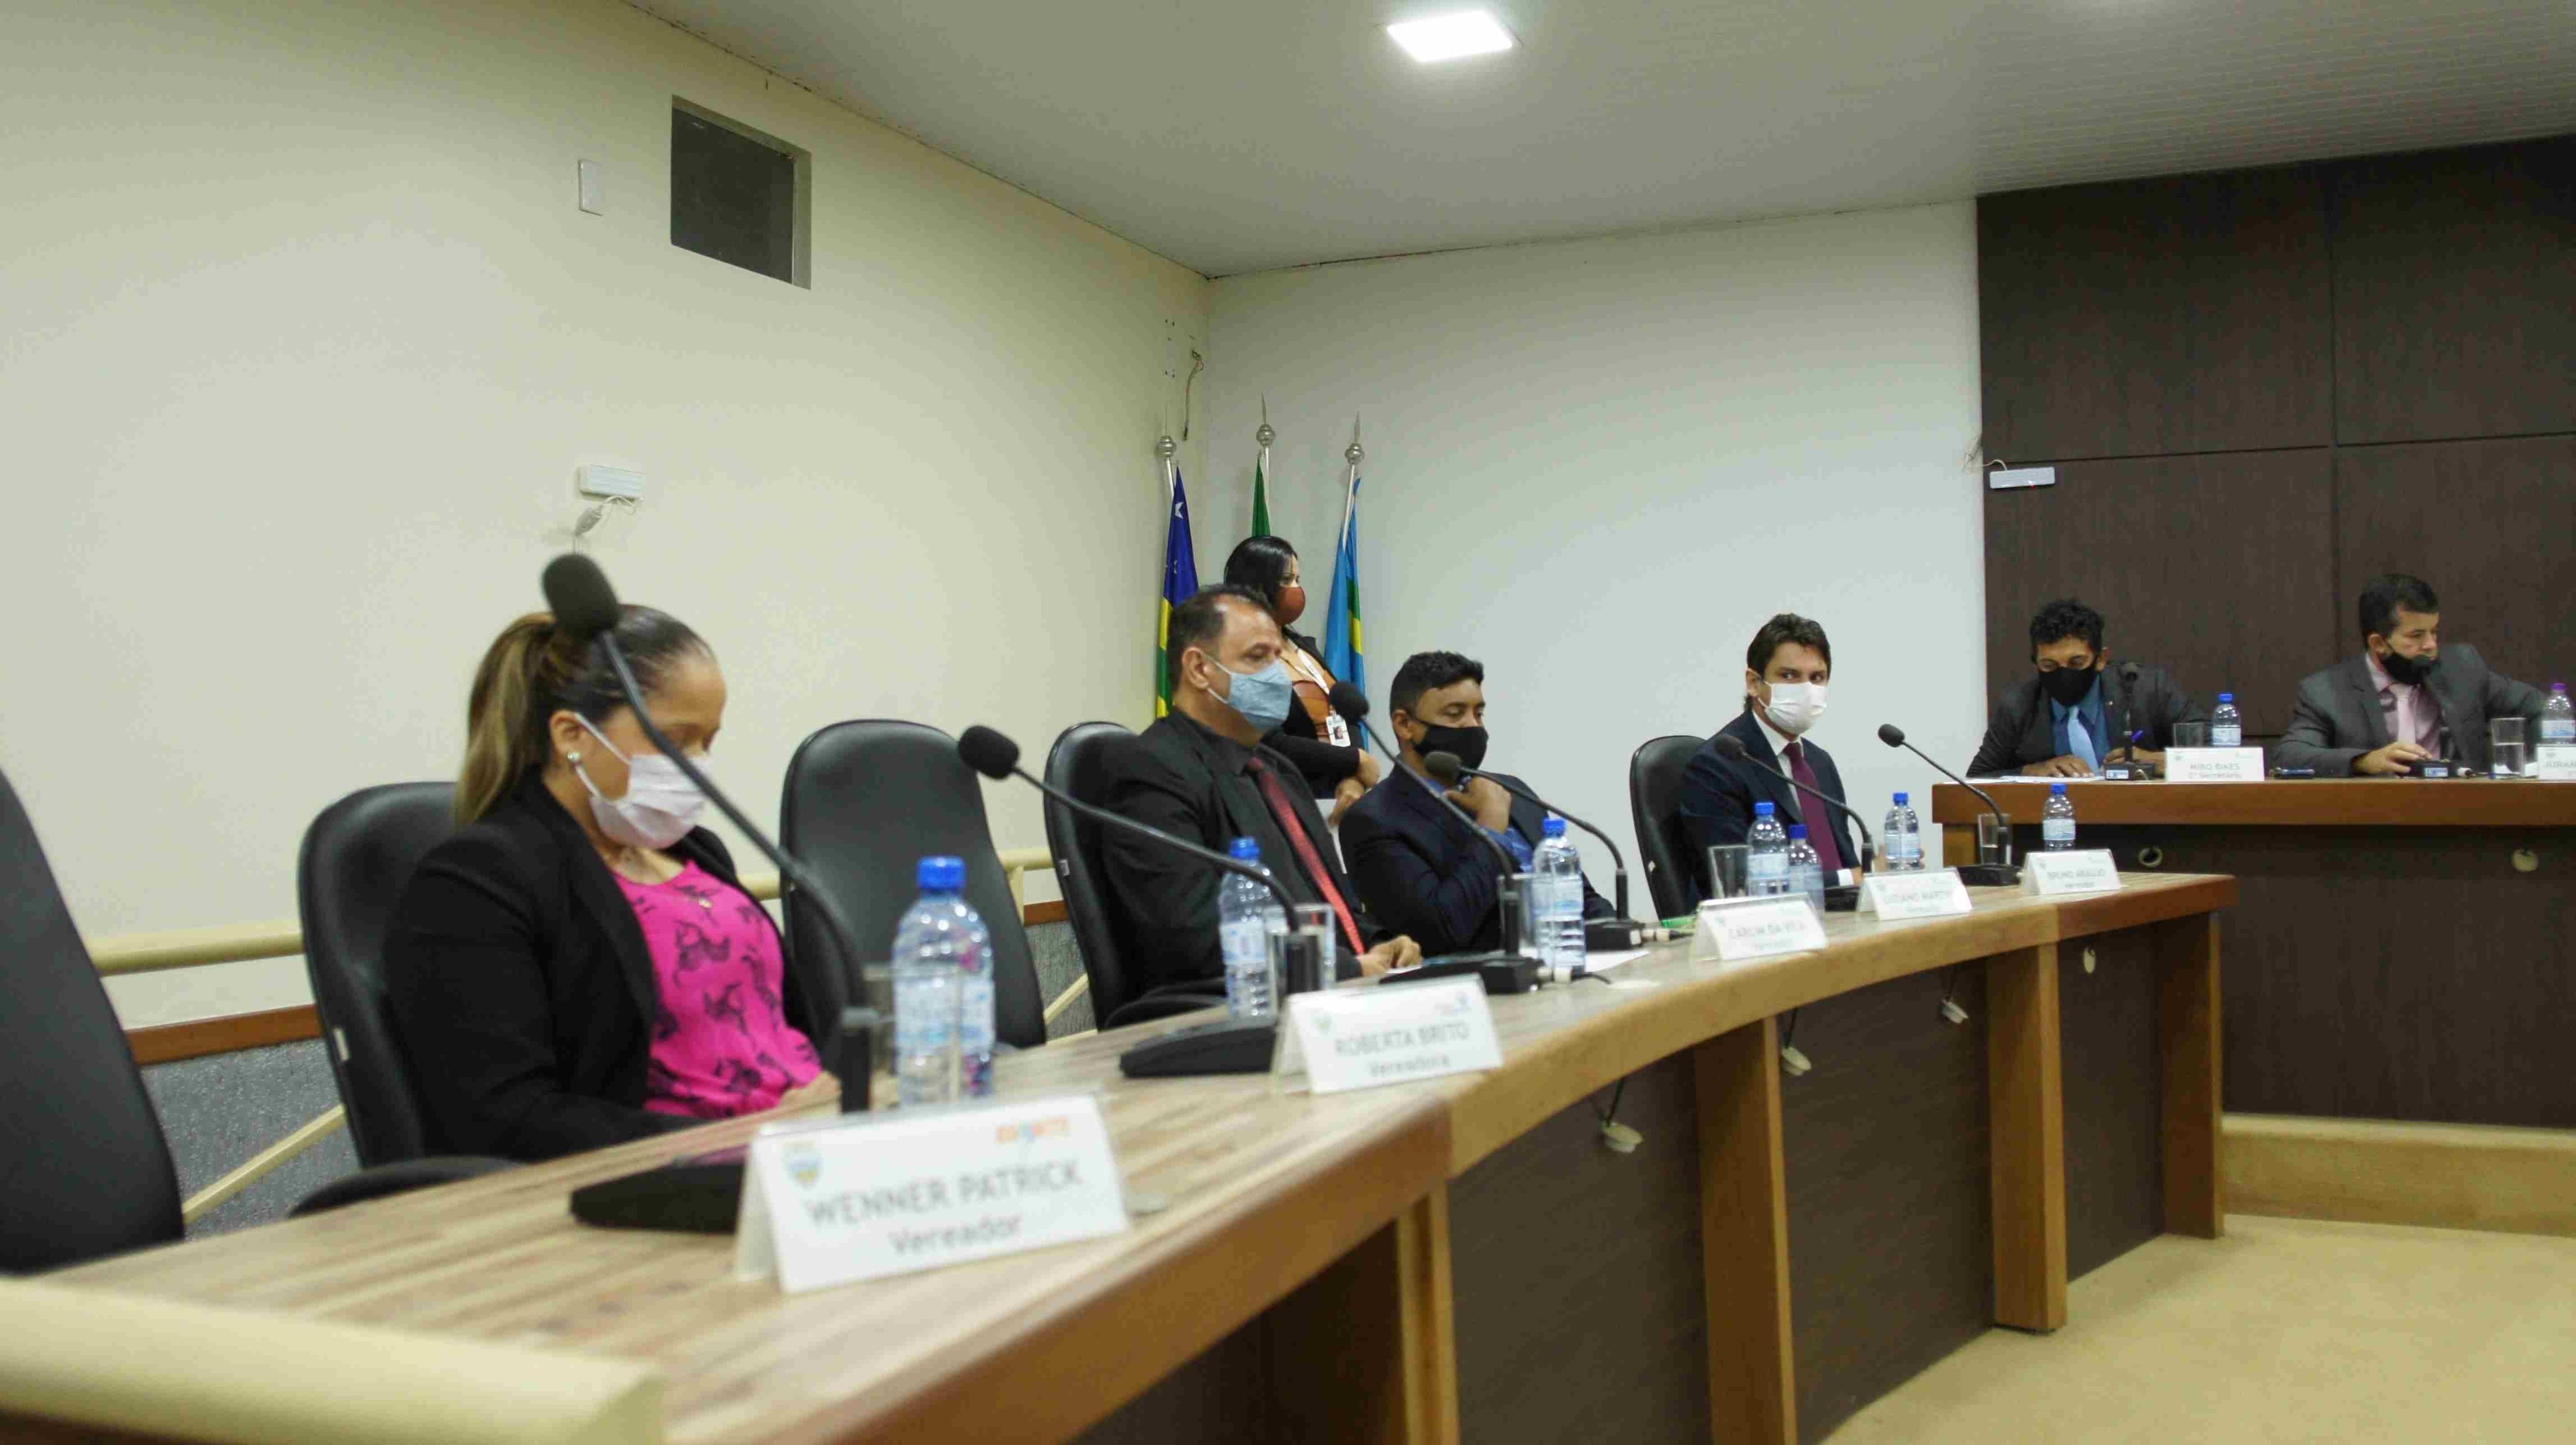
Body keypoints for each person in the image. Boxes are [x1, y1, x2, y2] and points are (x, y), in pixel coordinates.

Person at [383, 606, 837, 1161]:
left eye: (707, 741)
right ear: (572, 735)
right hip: (668, 1176)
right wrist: (745, 1139)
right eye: (676, 740)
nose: (697, 765)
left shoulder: (696, 850)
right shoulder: (476, 882)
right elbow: (504, 1116)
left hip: (805, 1151)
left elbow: (779, 1026)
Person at [1097, 585, 1422, 1000]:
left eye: (1277, 658)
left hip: (1332, 997)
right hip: (1231, 1014)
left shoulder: (1277, 771)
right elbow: (1191, 942)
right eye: (1257, 657)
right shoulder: (1152, 772)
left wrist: (1381, 943)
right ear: (1199, 668)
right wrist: (1349, 968)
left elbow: (1327, 903)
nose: (1278, 677)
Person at [1340, 651, 1616, 955]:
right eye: (1455, 714)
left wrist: (1621, 937)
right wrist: (1491, 826)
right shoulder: (1373, 820)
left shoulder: (1512, 789)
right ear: (1405, 725)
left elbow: (1580, 898)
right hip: (1483, 976)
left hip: (1570, 961)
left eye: (1479, 713)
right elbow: (1439, 933)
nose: (1473, 727)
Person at [2275, 573, 2548, 776]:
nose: (2431, 645)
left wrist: (2536, 769)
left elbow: (2544, 709)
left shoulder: (2463, 669)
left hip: (2462, 814)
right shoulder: (2326, 692)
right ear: (2378, 644)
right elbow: (2290, 755)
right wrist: (2364, 761)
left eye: (2434, 631)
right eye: (2416, 635)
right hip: (2374, 820)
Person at [1676, 613, 1865, 890]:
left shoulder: (1819, 762)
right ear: (1754, 683)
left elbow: (1847, 863)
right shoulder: (1716, 766)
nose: (1806, 690)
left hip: (1842, 913)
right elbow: (1737, 881)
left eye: (1817, 678)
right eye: (1789, 676)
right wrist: (1849, 879)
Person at [1221, 536, 1380, 820]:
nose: (1297, 589)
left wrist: (1353, 778)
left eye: (1298, 579)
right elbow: (1269, 743)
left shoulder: (1303, 646)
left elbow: (1344, 715)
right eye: (1287, 580)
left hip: (1338, 796)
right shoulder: (1239, 657)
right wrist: (1353, 759)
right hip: (1285, 803)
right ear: (1256, 586)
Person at [1967, 599, 2207, 777]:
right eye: (2049, 665)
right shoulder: (2019, 706)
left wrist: (2162, 761)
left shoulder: (2146, 689)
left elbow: (2218, 753)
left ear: (2101, 659)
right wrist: (2031, 771)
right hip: (2057, 821)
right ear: (2036, 664)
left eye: (2076, 663)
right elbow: (1977, 778)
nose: (2063, 674)